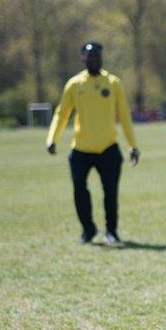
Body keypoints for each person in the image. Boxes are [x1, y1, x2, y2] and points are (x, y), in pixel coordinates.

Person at [47, 42, 140, 245]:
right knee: (79, 189)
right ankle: (88, 229)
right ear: (83, 59)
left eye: (97, 57)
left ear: (102, 58)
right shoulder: (75, 84)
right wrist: (52, 138)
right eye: (90, 57)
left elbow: (124, 116)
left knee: (110, 192)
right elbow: (62, 113)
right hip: (81, 149)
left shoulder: (114, 83)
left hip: (108, 148)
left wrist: (133, 146)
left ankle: (111, 231)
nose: (94, 60)